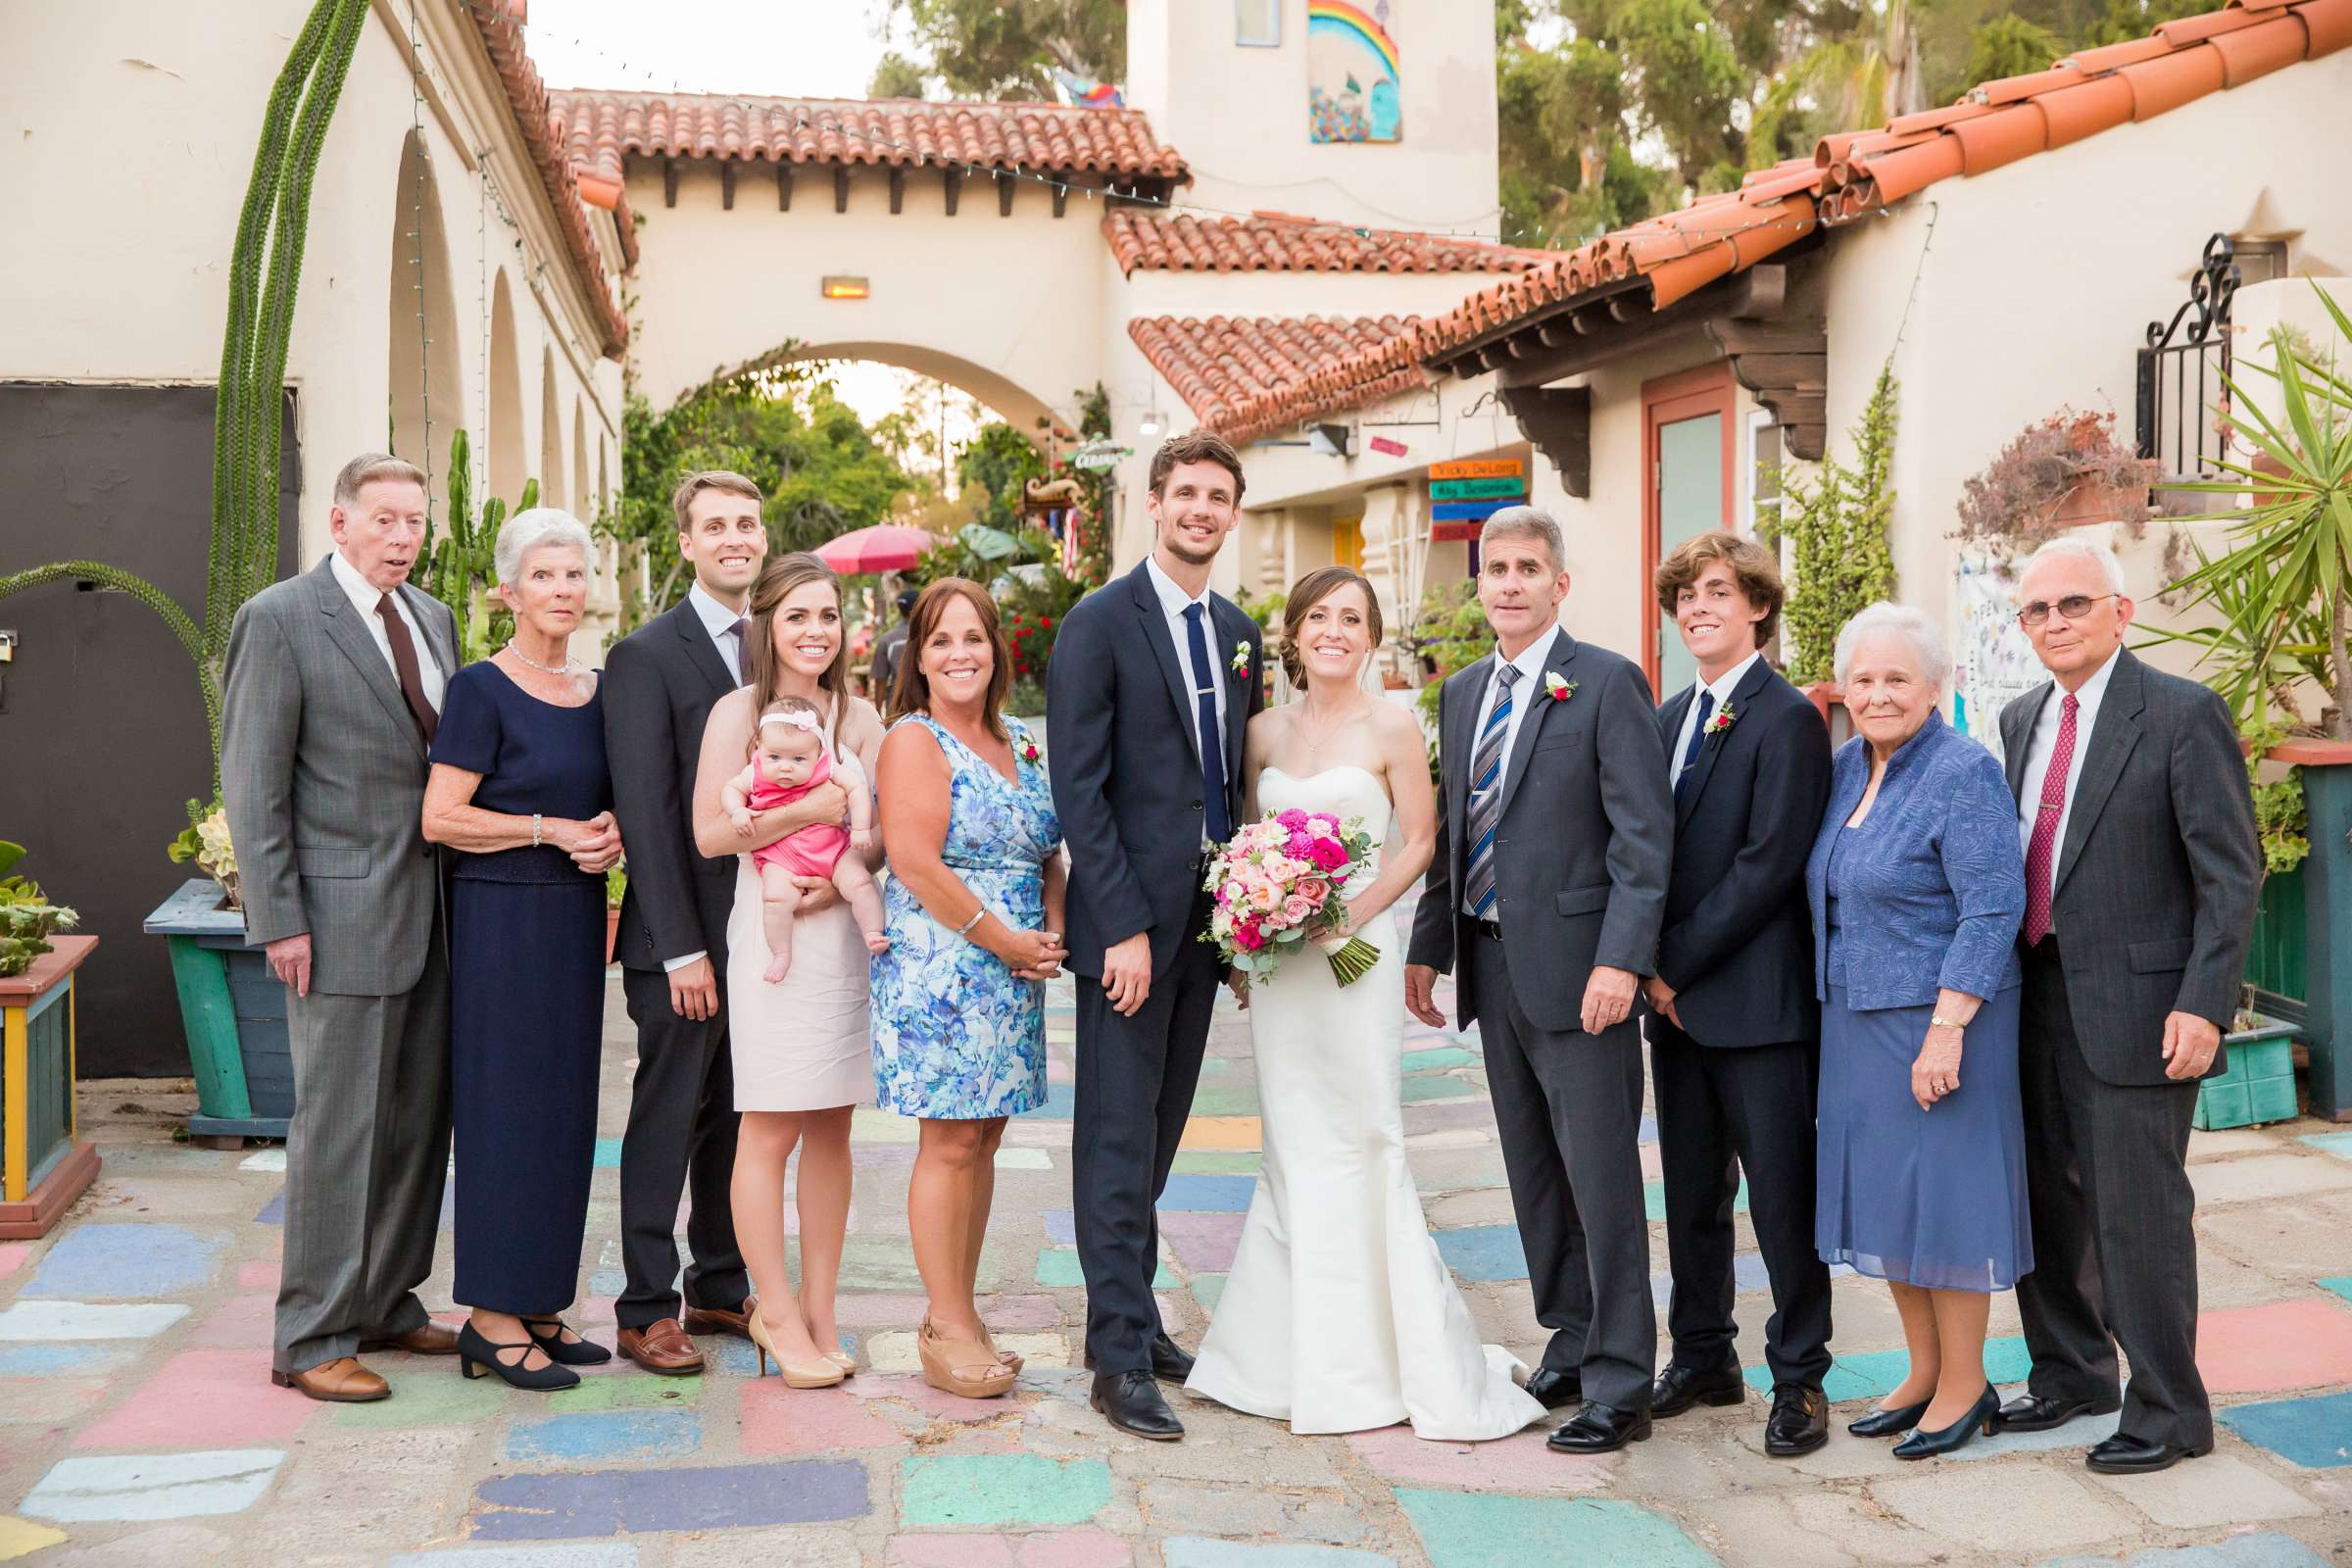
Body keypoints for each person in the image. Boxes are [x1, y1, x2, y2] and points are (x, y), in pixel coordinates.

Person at [1185, 566, 1545, 1442]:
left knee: (1364, 1135)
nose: (1334, 631)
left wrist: (1351, 911)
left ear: (1370, 636)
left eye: (1352, 618)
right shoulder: (1262, 730)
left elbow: (1422, 840)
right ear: (1296, 634)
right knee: (1292, 1140)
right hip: (1282, 968)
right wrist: (1247, 922)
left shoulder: (1393, 723)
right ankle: (1273, 1357)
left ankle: (1384, 1361)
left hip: (1353, 955)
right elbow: (1241, 841)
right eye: (1319, 616)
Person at [1404, 507, 1673, 1456]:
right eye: (1496, 568)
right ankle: (1572, 1332)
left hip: (1583, 968)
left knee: (1600, 1176)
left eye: (1528, 567)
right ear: (1479, 584)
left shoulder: (1605, 683)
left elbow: (1645, 840)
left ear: (1561, 583)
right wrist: (1428, 946)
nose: (1510, 582)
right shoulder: (1466, 691)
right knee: (1533, 1169)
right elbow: (1457, 826)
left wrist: (1622, 959)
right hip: (1494, 962)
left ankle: (1624, 1377)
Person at [1997, 537, 2261, 1476]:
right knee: (2042, 1205)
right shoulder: (2019, 717)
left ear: (2122, 610)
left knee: (2138, 1214)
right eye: (2038, 610)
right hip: (2029, 994)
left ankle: (2169, 1411)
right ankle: (2071, 1373)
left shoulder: (2183, 714)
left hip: (2144, 1006)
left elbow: (2230, 876)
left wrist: (2205, 1003)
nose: (2056, 622)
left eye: (2074, 603)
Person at [221, 453, 462, 1402]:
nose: (403, 537)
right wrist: (279, 917)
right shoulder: (280, 620)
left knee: (414, 1123)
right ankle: (312, 1334)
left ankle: (385, 1301)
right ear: (340, 522)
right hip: (335, 918)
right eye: (386, 520)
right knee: (336, 1130)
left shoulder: (434, 617)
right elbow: (253, 783)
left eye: (416, 521)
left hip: (436, 913)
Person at [1046, 430, 1266, 1442]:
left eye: (1218, 497)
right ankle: (1119, 1358)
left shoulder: (1238, 628)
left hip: (1206, 935)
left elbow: (1223, 788)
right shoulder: (1098, 623)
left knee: (1162, 1138)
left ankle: (1127, 1316)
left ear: (1232, 512)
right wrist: (1124, 927)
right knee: (1117, 1140)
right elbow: (1079, 790)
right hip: (1130, 935)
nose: (1201, 510)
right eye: (1186, 493)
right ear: (1154, 503)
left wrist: (1246, 925)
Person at [1805, 602, 2028, 1460]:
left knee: (1947, 1207)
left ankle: (1969, 1385)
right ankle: (1923, 1370)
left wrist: (1946, 1031)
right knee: (1893, 1204)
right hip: (1855, 1017)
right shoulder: (1844, 766)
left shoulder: (1962, 771)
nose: (1879, 693)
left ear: (1936, 687)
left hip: (1943, 1020)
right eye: (1863, 678)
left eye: (1898, 678)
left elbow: (1992, 907)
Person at [1642, 532, 1836, 1456]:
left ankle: (1798, 1377)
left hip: (1756, 1006)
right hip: (1673, 1012)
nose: (1697, 608)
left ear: (1757, 605)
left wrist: (1671, 964)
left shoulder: (1788, 716)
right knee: (1688, 1196)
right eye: (1685, 594)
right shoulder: (1671, 712)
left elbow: (1767, 866)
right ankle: (1704, 1355)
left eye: (1717, 592)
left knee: (1781, 1200)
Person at [420, 509, 622, 1391]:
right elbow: (441, 818)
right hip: (501, 921)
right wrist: (545, 830)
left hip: (575, 920)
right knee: (504, 1110)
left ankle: (542, 1300)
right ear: (507, 590)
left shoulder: (599, 690)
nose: (563, 590)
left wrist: (610, 832)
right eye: (544, 576)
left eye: (575, 575)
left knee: (565, 1110)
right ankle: (491, 1317)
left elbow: (603, 803)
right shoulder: (480, 688)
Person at [603, 470, 785, 1374]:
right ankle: (644, 1305)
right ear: (685, 542)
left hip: (761, 929)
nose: (733, 539)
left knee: (736, 1114)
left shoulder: (776, 646)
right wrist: (680, 948)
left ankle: (719, 1283)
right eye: (714, 526)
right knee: (669, 1115)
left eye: (746, 524)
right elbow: (644, 809)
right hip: (680, 939)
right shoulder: (646, 655)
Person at [872, 578, 1067, 1399]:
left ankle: (963, 1308)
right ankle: (945, 1323)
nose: (959, 654)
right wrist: (1005, 940)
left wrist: (1050, 934)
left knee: (985, 1140)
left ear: (998, 651)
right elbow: (916, 864)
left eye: (974, 639)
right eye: (941, 640)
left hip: (1018, 962)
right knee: (948, 1142)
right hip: (945, 963)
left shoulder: (1020, 739)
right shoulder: (912, 740)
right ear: (919, 656)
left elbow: (1049, 852)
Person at [692, 553, 883, 1388]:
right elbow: (708, 834)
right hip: (771, 934)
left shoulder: (862, 717)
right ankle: (771, 1306)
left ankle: (821, 1307)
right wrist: (807, 812)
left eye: (829, 616)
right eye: (799, 615)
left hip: (841, 932)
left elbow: (877, 836)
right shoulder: (739, 712)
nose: (815, 631)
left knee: (835, 1126)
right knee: (769, 1125)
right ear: (766, 623)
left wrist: (845, 870)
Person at [723, 697, 889, 982]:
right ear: (759, 750)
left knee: (858, 882)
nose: (785, 767)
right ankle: (781, 954)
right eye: (775, 757)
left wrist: (861, 828)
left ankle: (873, 931)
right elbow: (731, 788)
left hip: (833, 849)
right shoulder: (755, 772)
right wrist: (737, 811)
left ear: (818, 753)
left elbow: (857, 789)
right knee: (775, 897)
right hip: (782, 855)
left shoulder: (828, 767)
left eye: (798, 759)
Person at [871, 584, 917, 702]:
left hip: (896, 704)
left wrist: (877, 711)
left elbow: (880, 679)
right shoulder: (930, 635)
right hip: (928, 704)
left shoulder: (887, 639)